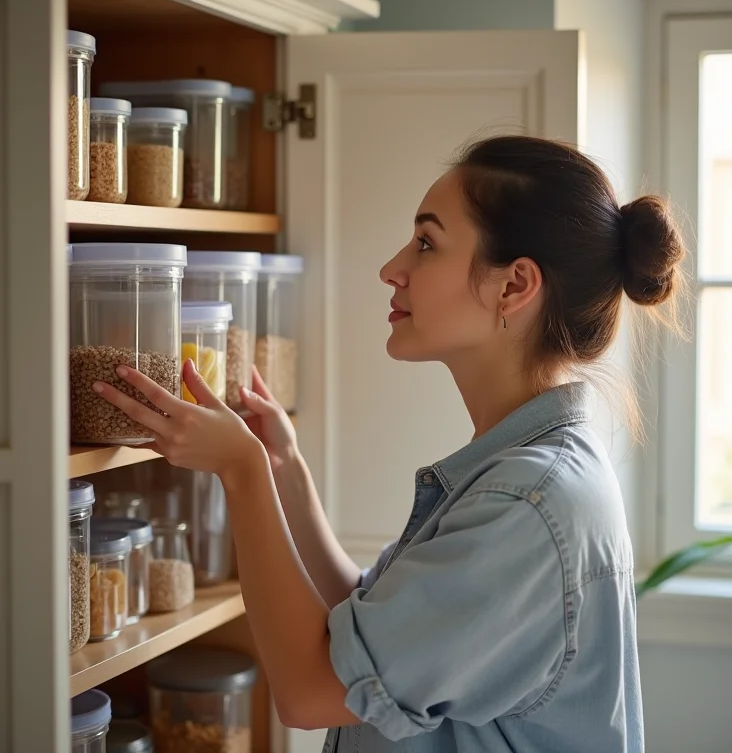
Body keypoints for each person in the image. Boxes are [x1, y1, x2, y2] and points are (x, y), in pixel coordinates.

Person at [95, 135, 685, 753]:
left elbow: (311, 689)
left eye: (427, 243)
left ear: (514, 286)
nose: (392, 269)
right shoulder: (527, 473)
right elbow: (369, 643)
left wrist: (242, 471)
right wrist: (283, 471)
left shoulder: (526, 505)